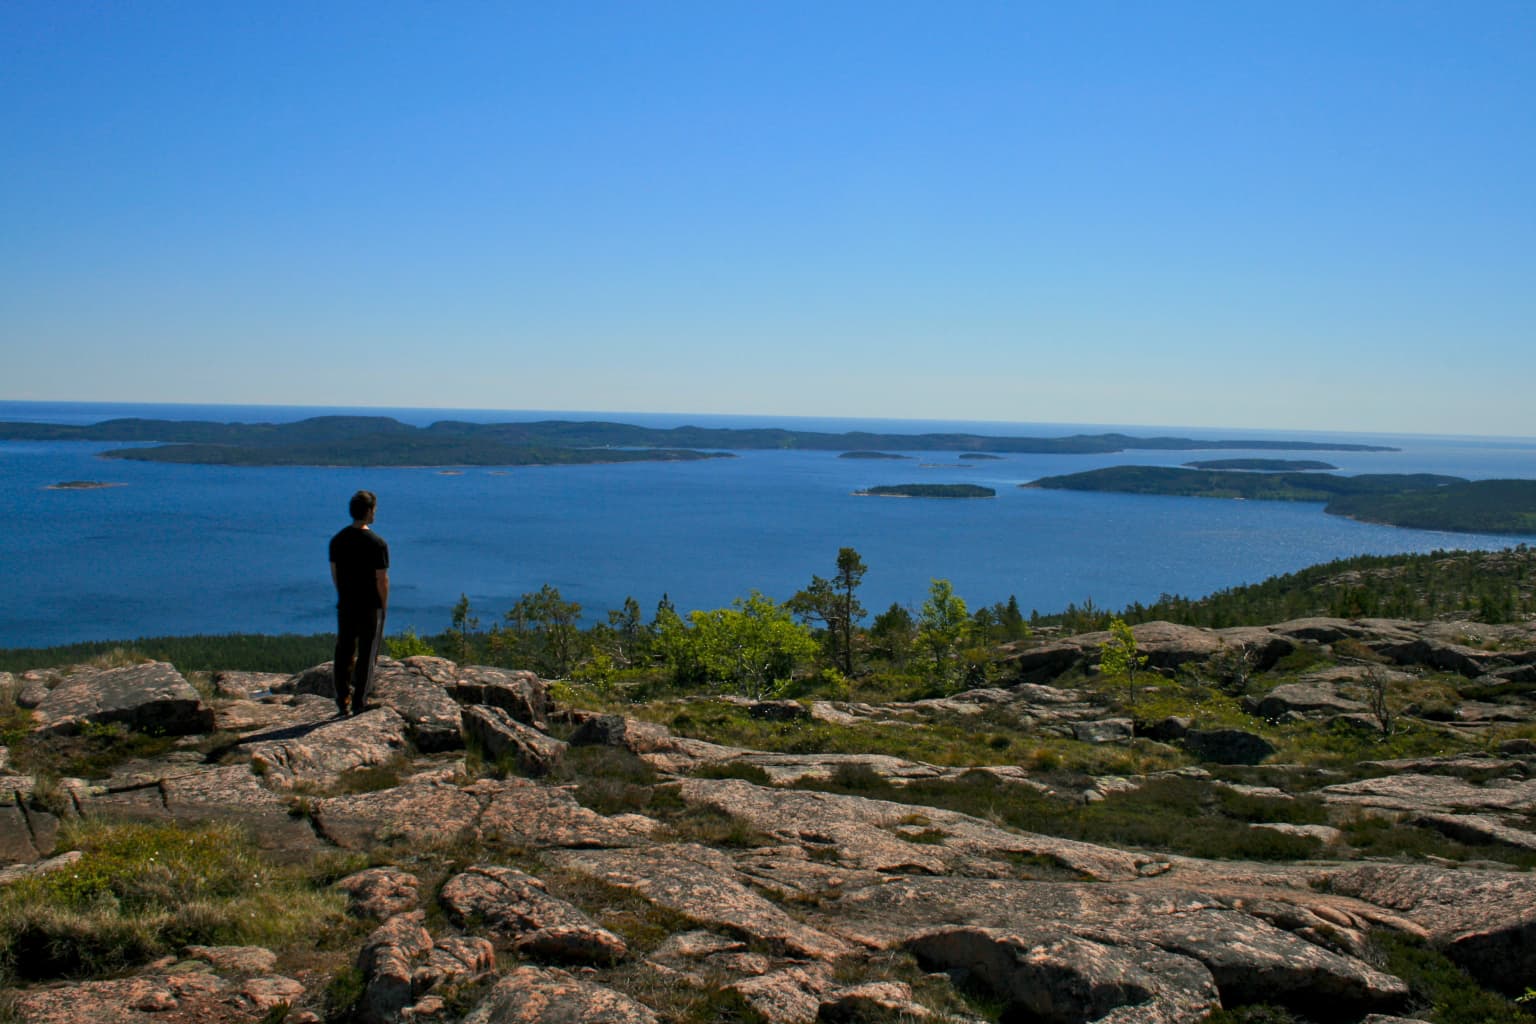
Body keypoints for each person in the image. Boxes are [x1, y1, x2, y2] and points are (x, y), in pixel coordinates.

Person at [329, 490, 389, 716]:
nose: (375, 513)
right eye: (374, 509)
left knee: (344, 650)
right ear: (368, 511)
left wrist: (343, 594)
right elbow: (381, 579)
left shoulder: (337, 540)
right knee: (367, 653)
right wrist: (383, 605)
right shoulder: (377, 544)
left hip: (346, 603)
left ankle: (342, 699)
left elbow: (335, 573)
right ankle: (359, 701)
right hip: (370, 605)